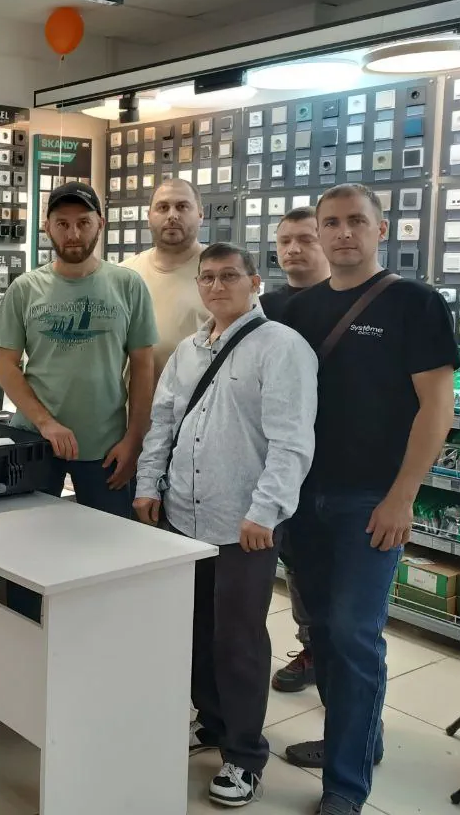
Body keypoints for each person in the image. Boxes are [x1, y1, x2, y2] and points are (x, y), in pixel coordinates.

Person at [280, 184, 459, 815]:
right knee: (323, 632)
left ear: (381, 230)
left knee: (355, 635)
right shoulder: (297, 310)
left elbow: (437, 407)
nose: (343, 233)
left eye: (356, 221)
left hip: (370, 501)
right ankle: (354, 741)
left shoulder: (415, 303)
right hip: (304, 498)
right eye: (331, 223)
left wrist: (402, 497)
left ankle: (345, 787)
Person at [134, 242, 316, 808]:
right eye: (207, 277)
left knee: (238, 640)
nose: (217, 286)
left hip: (244, 524)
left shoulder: (282, 347)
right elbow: (162, 421)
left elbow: (291, 441)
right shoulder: (188, 351)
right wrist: (148, 484)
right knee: (194, 632)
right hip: (182, 513)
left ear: (254, 282)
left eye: (229, 276)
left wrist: (266, 512)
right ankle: (212, 722)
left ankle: (244, 755)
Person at [0, 181, 157, 518]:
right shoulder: (24, 289)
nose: (73, 234)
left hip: (107, 449)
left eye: (83, 222)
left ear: (101, 223)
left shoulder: (128, 285)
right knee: (30, 539)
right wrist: (46, 423)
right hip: (35, 441)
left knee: (108, 541)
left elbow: (143, 367)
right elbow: (5, 367)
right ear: (47, 227)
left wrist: (134, 440)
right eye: (62, 224)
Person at [260, 207, 330, 695]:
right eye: (285, 241)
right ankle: (312, 651)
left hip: (332, 462)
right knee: (294, 568)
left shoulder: (347, 300)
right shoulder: (265, 305)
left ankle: (333, 664)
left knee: (328, 577)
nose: (293, 249)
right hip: (273, 459)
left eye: (306, 239)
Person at [122, 178, 209, 378]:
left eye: (182, 206)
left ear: (200, 214)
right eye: (162, 207)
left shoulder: (226, 275)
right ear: (149, 217)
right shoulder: (124, 274)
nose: (172, 215)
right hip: (133, 398)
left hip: (201, 398)